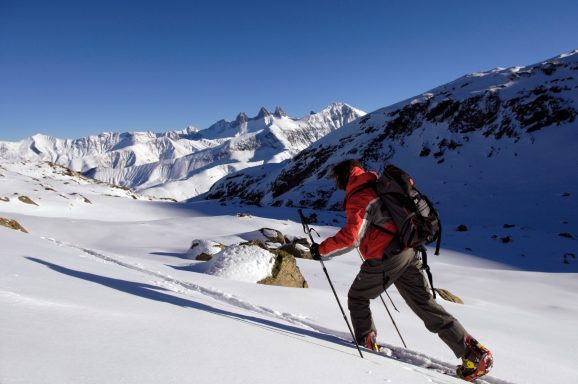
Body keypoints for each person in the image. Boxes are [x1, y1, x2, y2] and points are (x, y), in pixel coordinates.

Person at [309, 159, 493, 381]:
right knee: (426, 305)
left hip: (387, 257)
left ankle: (366, 343)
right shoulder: (379, 184)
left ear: (343, 177)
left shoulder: (360, 195)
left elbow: (351, 237)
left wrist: (321, 249)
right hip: (409, 250)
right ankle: (473, 353)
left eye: (336, 179)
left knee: (357, 297)